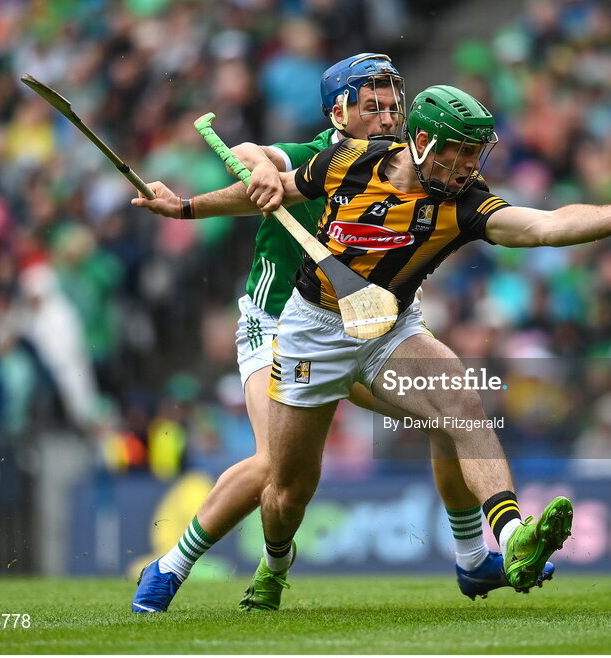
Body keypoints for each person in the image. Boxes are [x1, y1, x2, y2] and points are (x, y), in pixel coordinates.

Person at [226, 84, 611, 611]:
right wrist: (190, 205)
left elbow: (542, 226)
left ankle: (514, 538)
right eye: (459, 151)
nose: (470, 164)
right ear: (421, 142)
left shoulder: (465, 203)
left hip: (389, 334)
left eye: (476, 152)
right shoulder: (350, 159)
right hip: (312, 330)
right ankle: (275, 567)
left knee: (460, 402)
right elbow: (272, 188)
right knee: (288, 493)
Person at [130, 55, 551, 613]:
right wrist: (214, 190)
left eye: (393, 104)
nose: (387, 115)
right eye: (371, 104)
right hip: (281, 325)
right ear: (338, 111)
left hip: (369, 328)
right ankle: (172, 567)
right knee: (274, 469)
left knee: (452, 419)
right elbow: (259, 157)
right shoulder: (319, 157)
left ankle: (474, 560)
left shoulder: (416, 167)